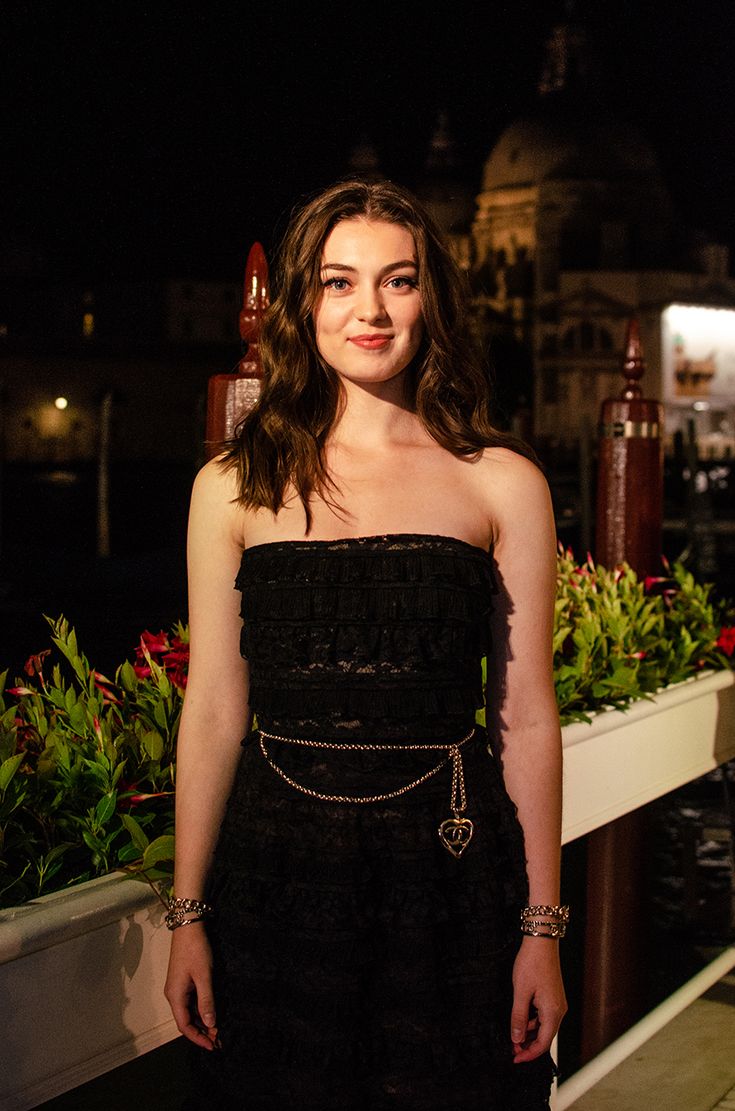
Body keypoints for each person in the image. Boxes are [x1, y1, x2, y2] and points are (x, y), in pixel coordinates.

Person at [164, 179, 567, 1111]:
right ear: (305, 303)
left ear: (433, 299)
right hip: (276, 875)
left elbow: (525, 715)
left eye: (399, 280)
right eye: (340, 283)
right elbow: (216, 708)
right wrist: (187, 915)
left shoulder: (501, 481)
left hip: (453, 875)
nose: (371, 311)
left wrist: (541, 928)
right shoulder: (231, 486)